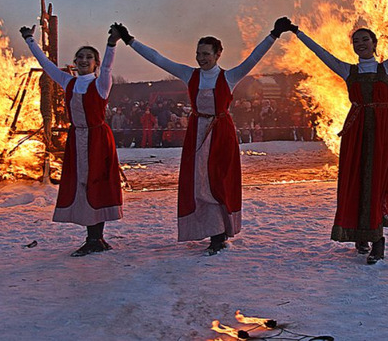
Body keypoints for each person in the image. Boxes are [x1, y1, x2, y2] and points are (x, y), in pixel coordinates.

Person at [110, 18, 290, 254]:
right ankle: (214, 231)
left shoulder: (230, 77)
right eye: (198, 53)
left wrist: (273, 34)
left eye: (206, 54)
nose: (201, 58)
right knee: (200, 182)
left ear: (217, 55)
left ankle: (220, 232)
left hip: (221, 133)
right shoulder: (189, 75)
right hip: (197, 132)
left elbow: (254, 58)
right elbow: (158, 59)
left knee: (218, 181)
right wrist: (130, 40)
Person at [286, 16, 388, 264]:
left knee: (375, 181)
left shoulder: (387, 68)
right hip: (356, 131)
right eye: (356, 41)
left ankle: (377, 240)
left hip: (382, 131)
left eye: (365, 40)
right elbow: (321, 53)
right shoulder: (348, 70)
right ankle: (361, 235)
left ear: (374, 43)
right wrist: (298, 33)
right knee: (355, 180)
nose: (360, 44)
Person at [19, 24, 123, 257]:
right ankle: (93, 237)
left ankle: (96, 239)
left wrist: (111, 44)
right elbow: (46, 65)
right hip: (77, 137)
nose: (84, 60)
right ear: (74, 62)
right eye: (80, 57)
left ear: (95, 63)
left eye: (89, 57)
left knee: (98, 183)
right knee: (82, 185)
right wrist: (29, 40)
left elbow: (108, 66)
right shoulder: (69, 82)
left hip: (97, 138)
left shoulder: (101, 83)